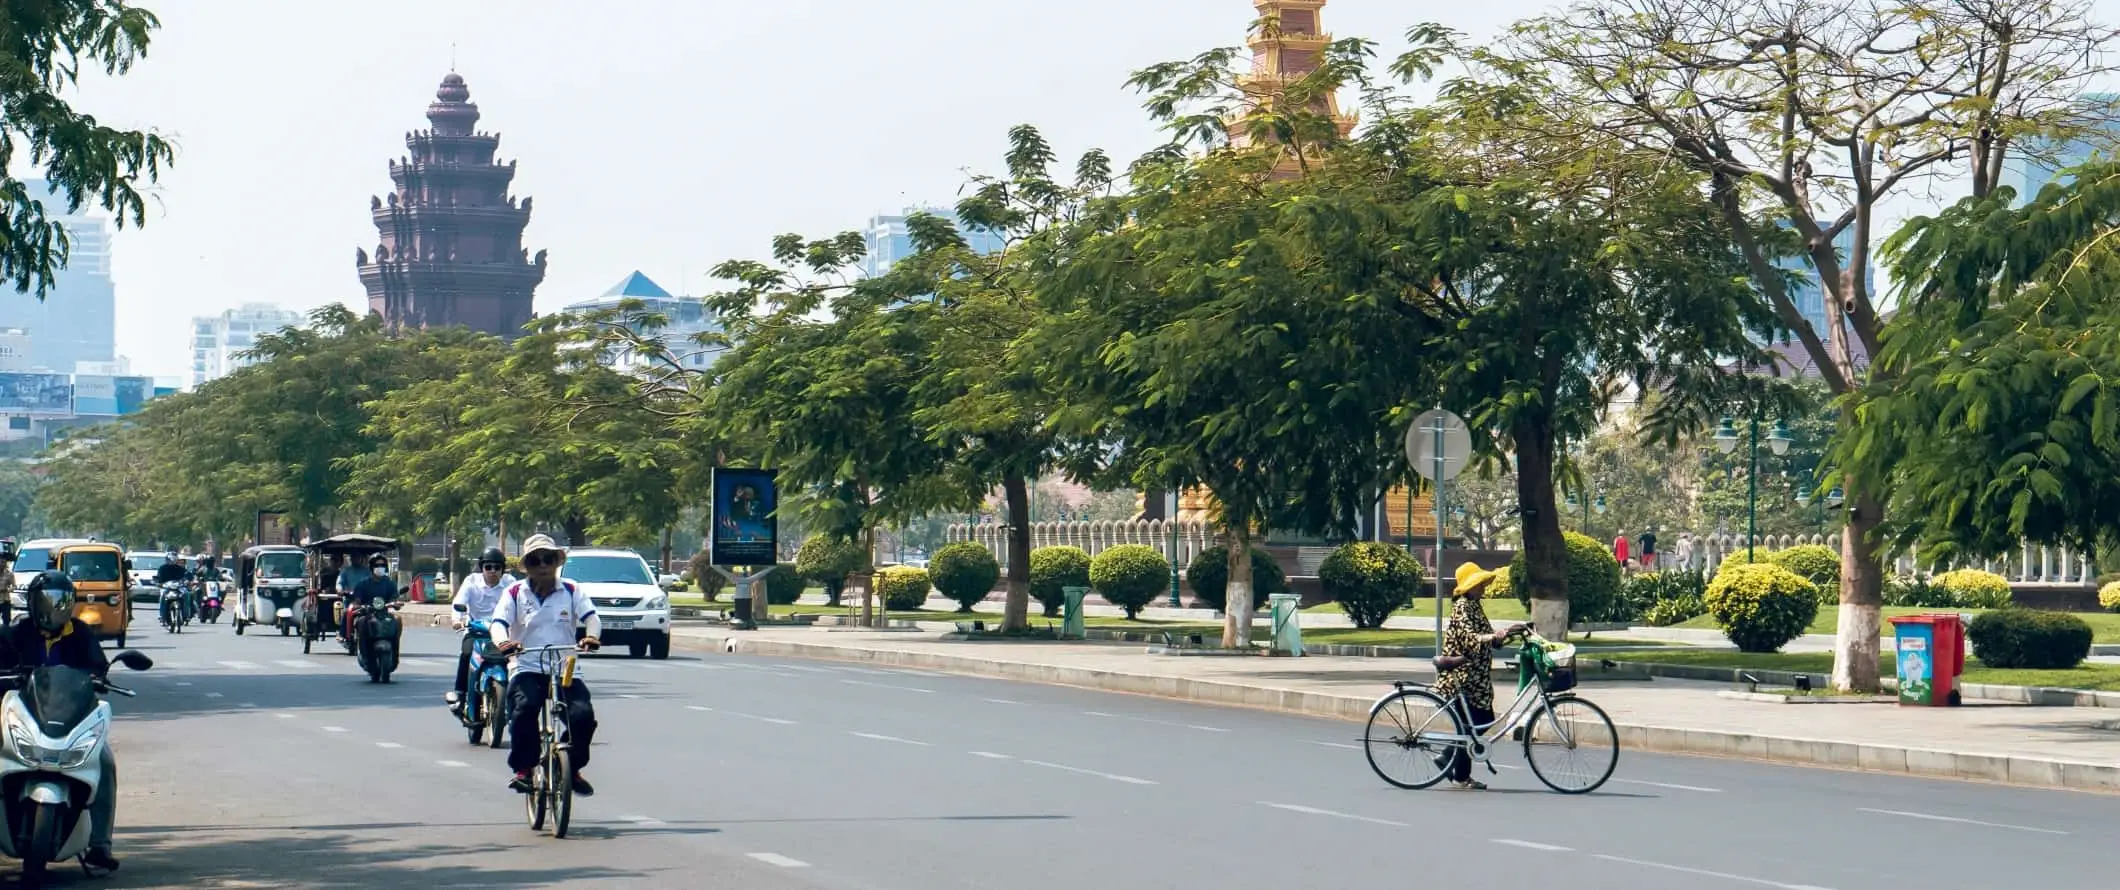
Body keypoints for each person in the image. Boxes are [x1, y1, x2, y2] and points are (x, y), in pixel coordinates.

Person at [4, 573, 121, 872]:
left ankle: (99, 845)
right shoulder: (15, 634)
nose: (52, 609)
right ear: (32, 603)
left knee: (104, 763)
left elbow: (99, 667)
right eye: (46, 601)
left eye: (60, 602)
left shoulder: (81, 634)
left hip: (69, 720)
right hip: (22, 716)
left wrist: (100, 678)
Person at [490, 534, 601, 797]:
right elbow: (499, 623)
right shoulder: (514, 592)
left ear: (556, 562)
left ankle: (570, 767)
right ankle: (524, 770)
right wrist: (505, 643)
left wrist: (592, 636)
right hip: (527, 665)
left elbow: (592, 618)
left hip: (566, 667)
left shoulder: (572, 590)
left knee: (582, 718)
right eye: (535, 560)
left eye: (548, 559)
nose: (543, 566)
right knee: (524, 710)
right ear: (527, 565)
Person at [1432, 561, 1525, 791]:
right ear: (1468, 586)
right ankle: (1452, 764)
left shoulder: (1475, 605)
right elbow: (1470, 637)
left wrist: (1506, 634)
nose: (1483, 587)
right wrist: (1491, 637)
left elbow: (1486, 634)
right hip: (1463, 676)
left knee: (1475, 724)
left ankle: (1456, 771)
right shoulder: (1462, 606)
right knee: (1473, 725)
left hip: (1477, 677)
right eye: (1479, 584)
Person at [446, 548, 513, 711]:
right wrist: (457, 620)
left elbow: (521, 603)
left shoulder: (510, 583)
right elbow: (459, 602)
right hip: (476, 632)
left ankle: (515, 695)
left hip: (503, 633)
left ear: (502, 569)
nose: (492, 571)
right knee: (467, 653)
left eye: (497, 567)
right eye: (488, 567)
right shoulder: (471, 581)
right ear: (482, 568)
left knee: (515, 657)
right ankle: (460, 694)